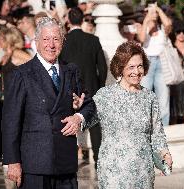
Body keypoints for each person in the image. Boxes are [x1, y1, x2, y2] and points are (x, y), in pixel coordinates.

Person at [1, 17, 96, 189]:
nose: (51, 44)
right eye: (45, 39)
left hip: (65, 163)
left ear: (62, 41)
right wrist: (12, 161)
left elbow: (89, 105)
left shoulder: (72, 71)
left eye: (56, 39)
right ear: (36, 42)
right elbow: (10, 121)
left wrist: (79, 117)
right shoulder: (21, 74)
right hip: (34, 165)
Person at [87, 41, 172, 188]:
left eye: (140, 66)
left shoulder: (149, 97)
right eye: (131, 67)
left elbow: (157, 134)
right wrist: (77, 108)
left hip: (143, 171)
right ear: (120, 68)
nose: (137, 71)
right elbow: (86, 121)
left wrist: (165, 154)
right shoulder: (105, 95)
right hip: (113, 172)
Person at [59, 7, 107, 169]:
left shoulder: (62, 41)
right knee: (94, 125)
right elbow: (103, 67)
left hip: (69, 90)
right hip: (91, 89)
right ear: (82, 20)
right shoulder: (93, 40)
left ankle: (69, 161)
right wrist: (99, 86)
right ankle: (98, 160)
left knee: (69, 125)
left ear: (68, 21)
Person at [137, 1, 172, 126]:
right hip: (147, 63)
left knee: (163, 98)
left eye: (154, 12)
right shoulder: (142, 27)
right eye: (149, 11)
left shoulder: (163, 29)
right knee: (145, 97)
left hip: (162, 62)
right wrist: (147, 18)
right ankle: (147, 128)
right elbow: (141, 39)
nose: (153, 14)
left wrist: (158, 9)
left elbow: (168, 24)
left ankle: (164, 128)